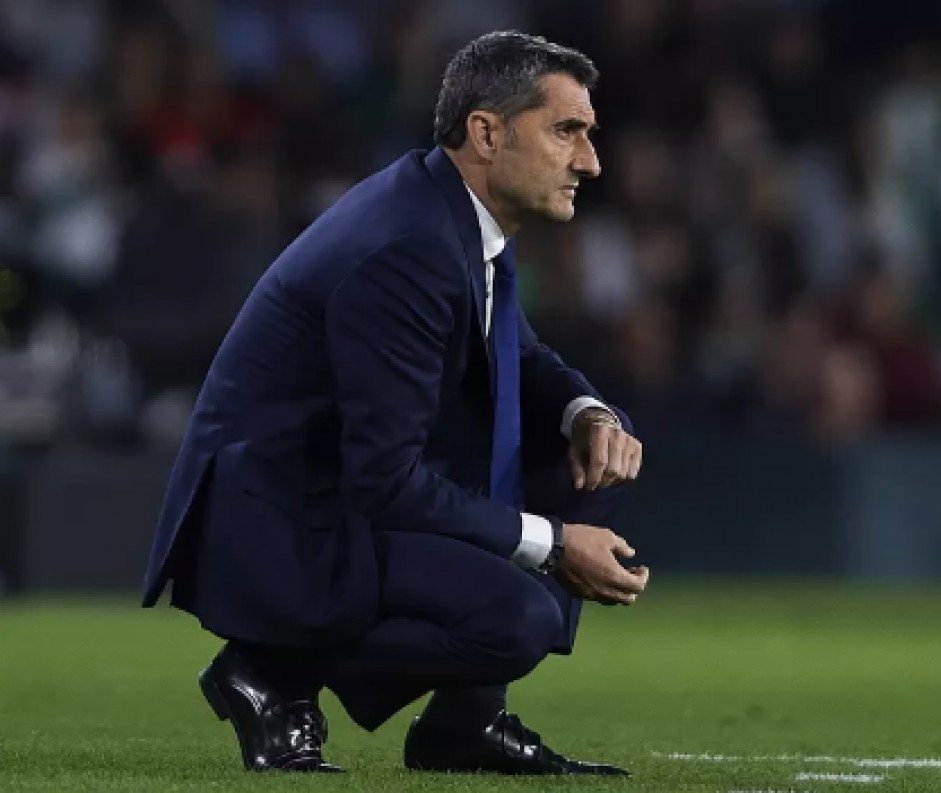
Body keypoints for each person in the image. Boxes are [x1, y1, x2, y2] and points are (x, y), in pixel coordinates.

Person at [141, 31, 650, 776]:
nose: (590, 161)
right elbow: (383, 477)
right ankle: (268, 669)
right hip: (286, 520)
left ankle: (465, 725)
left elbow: (519, 353)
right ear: (486, 133)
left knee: (593, 451)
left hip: (341, 489)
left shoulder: (451, 212)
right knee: (517, 618)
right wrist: (552, 543)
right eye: (566, 131)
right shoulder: (409, 247)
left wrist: (589, 413)